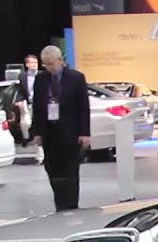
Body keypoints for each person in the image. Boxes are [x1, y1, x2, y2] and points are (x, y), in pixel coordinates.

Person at [30, 45, 91, 211]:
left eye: (51, 64)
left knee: (70, 170)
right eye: (45, 64)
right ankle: (60, 204)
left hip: (70, 132)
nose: (48, 68)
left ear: (60, 60)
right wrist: (37, 132)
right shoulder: (41, 79)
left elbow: (83, 107)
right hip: (50, 131)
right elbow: (37, 107)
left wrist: (85, 133)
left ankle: (72, 205)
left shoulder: (76, 78)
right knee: (52, 169)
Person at [14, 54, 42, 163]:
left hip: (40, 105)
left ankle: (40, 156)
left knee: (39, 129)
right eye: (32, 63)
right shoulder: (22, 76)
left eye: (36, 63)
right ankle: (26, 138)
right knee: (25, 123)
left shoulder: (43, 75)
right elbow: (20, 91)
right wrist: (19, 101)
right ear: (27, 64)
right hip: (28, 104)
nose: (35, 65)